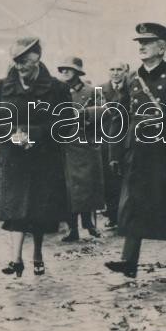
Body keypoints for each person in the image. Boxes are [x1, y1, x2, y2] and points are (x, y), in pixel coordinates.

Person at [104, 23, 166, 278]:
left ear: (162, 48)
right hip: (138, 151)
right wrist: (115, 153)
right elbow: (119, 116)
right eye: (140, 42)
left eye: (147, 42)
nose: (141, 46)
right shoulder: (131, 78)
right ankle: (128, 261)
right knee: (133, 204)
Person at [0, 37, 71, 277]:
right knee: (16, 208)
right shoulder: (3, 86)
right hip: (14, 157)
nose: (20, 66)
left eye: (25, 61)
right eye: (17, 61)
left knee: (40, 210)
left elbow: (65, 123)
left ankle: (38, 254)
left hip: (44, 157)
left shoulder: (57, 88)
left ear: (37, 58)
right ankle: (16, 259)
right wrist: (13, 134)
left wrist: (35, 134)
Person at [56, 56, 105, 242]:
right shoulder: (57, 91)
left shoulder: (92, 90)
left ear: (77, 71)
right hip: (63, 145)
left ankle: (89, 224)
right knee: (68, 189)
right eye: (62, 69)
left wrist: (85, 114)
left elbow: (104, 110)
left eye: (68, 69)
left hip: (85, 144)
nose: (64, 72)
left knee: (87, 187)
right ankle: (73, 228)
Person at [100, 60, 129, 229]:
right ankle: (112, 216)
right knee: (109, 179)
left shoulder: (130, 89)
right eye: (112, 69)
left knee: (126, 179)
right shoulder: (100, 89)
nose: (116, 72)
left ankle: (126, 216)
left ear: (125, 71)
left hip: (126, 140)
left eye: (119, 69)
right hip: (107, 140)